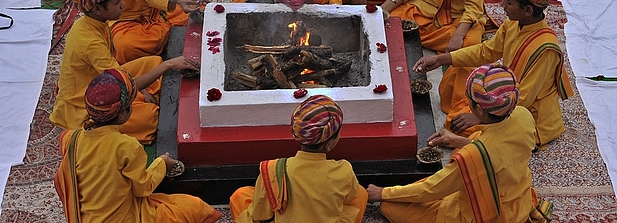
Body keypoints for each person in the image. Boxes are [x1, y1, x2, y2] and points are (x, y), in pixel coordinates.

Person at [367, 63, 553, 223]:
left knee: (390, 207)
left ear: (479, 109)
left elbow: (430, 190)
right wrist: (459, 141)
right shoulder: (523, 115)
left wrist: (382, 192)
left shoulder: (472, 156)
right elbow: (499, 152)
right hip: (518, 201)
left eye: (469, 101)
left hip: (482, 214)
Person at [413, 0, 573, 148]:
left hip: (527, 116)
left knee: (462, 128)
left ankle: (470, 144)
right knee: (458, 77)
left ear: (528, 11)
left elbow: (523, 99)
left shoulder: (545, 49)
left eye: (509, 2)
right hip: (505, 95)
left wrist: (477, 116)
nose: (502, 5)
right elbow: (487, 51)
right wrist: (441, 59)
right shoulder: (513, 23)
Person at [49, 0, 199, 144]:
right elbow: (120, 86)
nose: (123, 5)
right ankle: (144, 103)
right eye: (117, 2)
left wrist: (142, 88)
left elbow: (116, 72)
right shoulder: (89, 42)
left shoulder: (94, 22)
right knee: (151, 118)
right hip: (89, 103)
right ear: (97, 9)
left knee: (154, 61)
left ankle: (144, 96)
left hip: (105, 80)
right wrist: (168, 66)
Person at [54, 68, 222, 223]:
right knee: (195, 208)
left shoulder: (72, 137)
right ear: (122, 116)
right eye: (131, 104)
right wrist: (162, 163)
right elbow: (143, 188)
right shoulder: (126, 146)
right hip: (124, 218)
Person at [229, 94, 368, 222]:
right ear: (330, 143)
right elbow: (349, 197)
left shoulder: (273, 170)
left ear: (298, 135)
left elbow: (260, 215)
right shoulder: (344, 171)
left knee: (240, 196)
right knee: (360, 193)